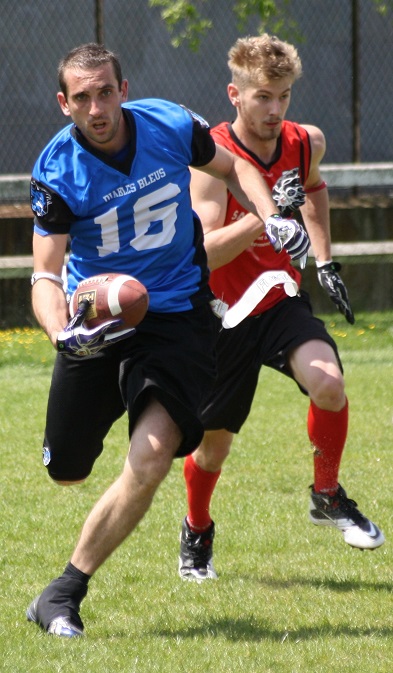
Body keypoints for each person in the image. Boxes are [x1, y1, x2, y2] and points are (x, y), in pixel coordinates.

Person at [26, 42, 309, 637]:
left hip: (177, 314)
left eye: (106, 91)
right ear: (63, 103)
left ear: (123, 90)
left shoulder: (170, 124)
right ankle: (65, 568)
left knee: (151, 456)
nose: (97, 106)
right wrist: (61, 334)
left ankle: (62, 593)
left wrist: (273, 216)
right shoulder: (55, 170)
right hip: (98, 320)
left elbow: (234, 167)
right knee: (68, 472)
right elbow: (46, 274)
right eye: (82, 97)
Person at [178, 34, 384, 582]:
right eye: (263, 96)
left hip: (281, 299)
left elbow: (315, 190)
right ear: (235, 94)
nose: (275, 110)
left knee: (330, 384)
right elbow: (203, 250)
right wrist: (268, 214)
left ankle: (326, 493)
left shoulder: (304, 141)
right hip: (227, 312)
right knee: (213, 447)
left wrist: (324, 260)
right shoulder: (211, 157)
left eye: (284, 97)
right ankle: (197, 529)